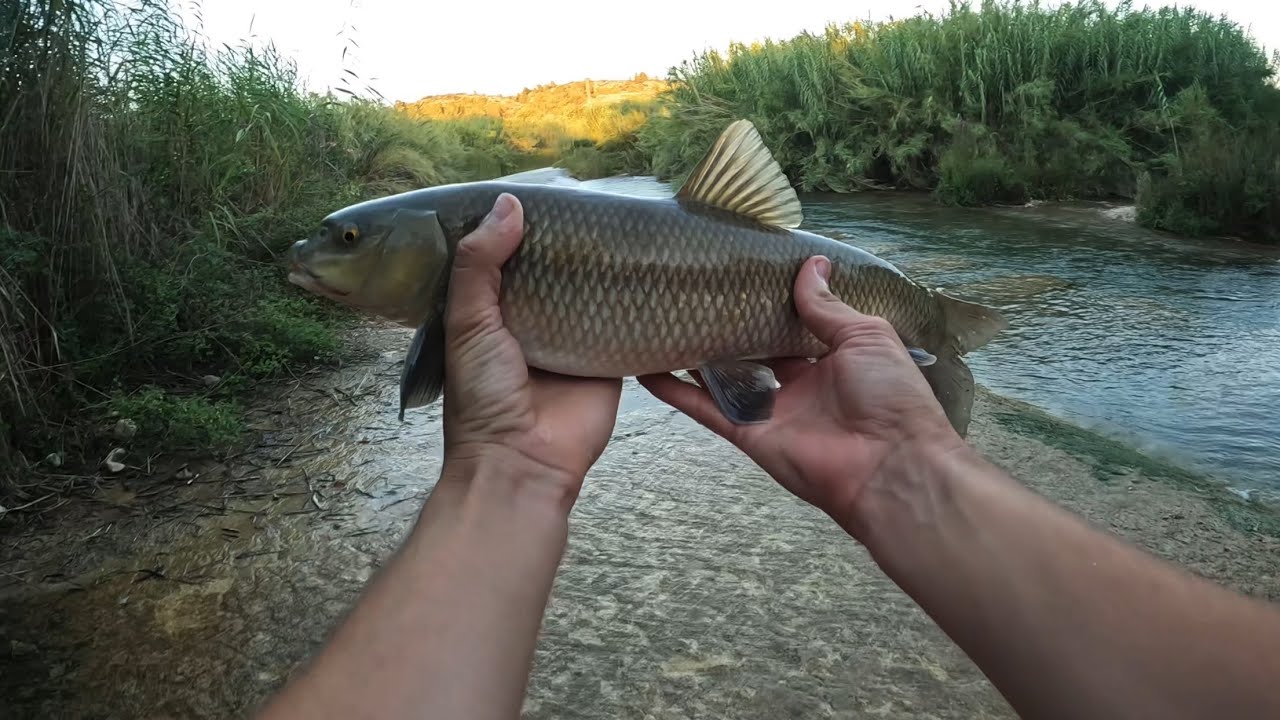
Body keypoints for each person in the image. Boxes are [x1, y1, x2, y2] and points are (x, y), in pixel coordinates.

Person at [257, 194, 1280, 720]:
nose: (316, 256)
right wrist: (504, 460)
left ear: (442, 246)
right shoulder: (466, 282)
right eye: (341, 240)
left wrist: (499, 473)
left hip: (797, 317)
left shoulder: (845, 290)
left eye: (343, 240)